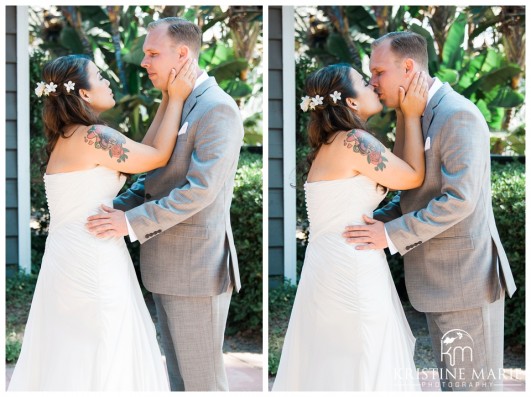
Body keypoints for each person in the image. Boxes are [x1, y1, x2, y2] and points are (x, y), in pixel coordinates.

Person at [8, 54, 197, 391]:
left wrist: (169, 96)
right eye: (99, 76)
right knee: (104, 340)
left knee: (75, 346)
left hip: (68, 255)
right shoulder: (94, 137)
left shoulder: (70, 136)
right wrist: (178, 96)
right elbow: (156, 156)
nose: (108, 81)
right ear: (82, 93)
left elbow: (146, 148)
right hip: (92, 257)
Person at [343, 31, 517, 391]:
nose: (373, 83)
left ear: (408, 67)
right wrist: (373, 220)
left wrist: (390, 234)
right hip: (442, 283)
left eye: (378, 73)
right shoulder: (417, 113)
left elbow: (459, 199)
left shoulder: (457, 116)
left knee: (471, 389)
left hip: (464, 283)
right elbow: (416, 194)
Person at [85, 17, 244, 391]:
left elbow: (199, 191)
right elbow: (154, 180)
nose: (145, 62)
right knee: (178, 380)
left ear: (183, 54)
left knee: (202, 383)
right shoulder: (177, 103)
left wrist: (128, 225)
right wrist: (117, 209)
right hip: (166, 267)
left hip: (196, 271)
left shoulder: (217, 108)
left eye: (153, 53)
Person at [272, 63, 428, 391]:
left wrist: (402, 112)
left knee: (339, 359)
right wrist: (410, 114)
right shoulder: (355, 141)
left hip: (328, 263)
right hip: (350, 264)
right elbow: (412, 176)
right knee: (363, 354)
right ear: (352, 102)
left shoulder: (336, 143)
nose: (373, 84)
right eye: (363, 81)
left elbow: (396, 168)